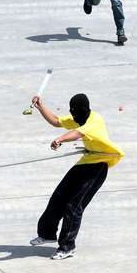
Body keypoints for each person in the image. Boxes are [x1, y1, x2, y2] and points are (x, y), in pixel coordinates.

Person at [29, 94, 124, 260]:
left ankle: (67, 247)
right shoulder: (78, 118)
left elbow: (77, 134)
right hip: (86, 162)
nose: (75, 115)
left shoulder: (94, 120)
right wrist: (40, 106)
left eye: (77, 112)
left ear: (85, 110)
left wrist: (60, 139)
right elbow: (56, 121)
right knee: (59, 196)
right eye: (73, 113)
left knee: (74, 206)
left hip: (98, 166)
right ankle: (47, 233)